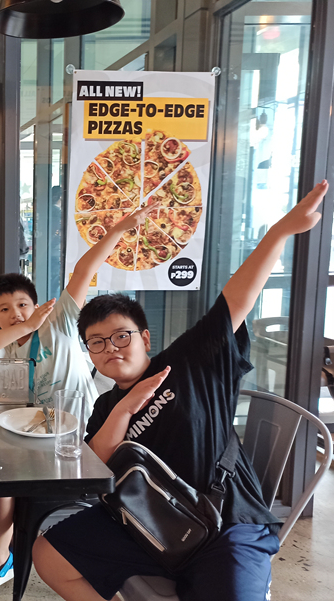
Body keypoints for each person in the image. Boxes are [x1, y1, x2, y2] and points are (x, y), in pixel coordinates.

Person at [32, 180, 329, 601]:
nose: (110, 348)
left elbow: (236, 298)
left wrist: (280, 232)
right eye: (96, 343)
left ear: (145, 337)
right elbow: (95, 467)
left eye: (121, 336)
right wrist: (125, 410)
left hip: (226, 524)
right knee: (48, 554)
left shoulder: (190, 362)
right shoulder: (106, 406)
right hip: (148, 525)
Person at [0, 206, 156, 596]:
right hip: (35, 437)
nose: (16, 313)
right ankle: (0, 557)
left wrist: (118, 230)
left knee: (0, 476)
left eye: (23, 304)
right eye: (4, 309)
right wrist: (23, 327)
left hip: (80, 438)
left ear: (37, 306)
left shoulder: (60, 322)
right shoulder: (6, 346)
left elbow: (84, 270)